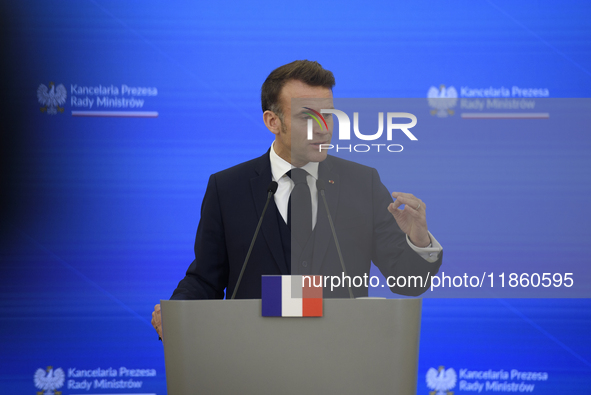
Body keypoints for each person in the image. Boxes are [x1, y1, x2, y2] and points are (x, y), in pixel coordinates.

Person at [152, 60, 443, 338]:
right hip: (252, 364)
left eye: (328, 115)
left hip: (341, 363)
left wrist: (419, 242)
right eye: (307, 116)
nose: (323, 128)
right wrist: (176, 313)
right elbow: (205, 280)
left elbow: (407, 281)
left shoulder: (362, 183)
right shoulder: (227, 188)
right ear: (272, 121)